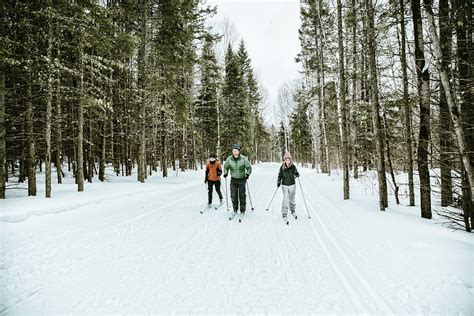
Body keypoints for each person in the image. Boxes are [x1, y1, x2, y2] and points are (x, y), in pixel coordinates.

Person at [224, 144, 252, 214]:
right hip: (233, 179)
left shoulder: (243, 158)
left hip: (242, 179)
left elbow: (249, 167)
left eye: (236, 151)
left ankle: (242, 209)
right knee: (234, 195)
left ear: (239, 151)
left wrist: (247, 174)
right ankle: (235, 208)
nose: (235, 152)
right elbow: (225, 167)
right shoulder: (229, 159)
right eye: (234, 151)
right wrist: (225, 173)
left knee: (242, 195)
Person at [277, 152, 300, 219]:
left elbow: (296, 173)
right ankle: (284, 213)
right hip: (284, 185)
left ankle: (292, 210)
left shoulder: (293, 166)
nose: (287, 161)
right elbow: (279, 175)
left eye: (288, 159)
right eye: (286, 159)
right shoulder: (282, 167)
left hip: (292, 185)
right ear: (284, 160)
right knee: (285, 199)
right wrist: (278, 181)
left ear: (290, 160)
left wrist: (297, 174)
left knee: (292, 198)